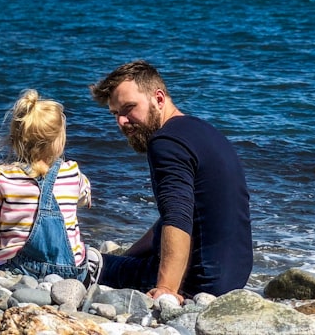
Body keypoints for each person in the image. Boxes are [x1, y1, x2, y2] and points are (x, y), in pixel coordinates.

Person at [89, 60, 252, 301]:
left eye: (129, 108)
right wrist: (129, 256)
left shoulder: (165, 143)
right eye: (116, 114)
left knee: (89, 262)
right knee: (120, 261)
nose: (122, 122)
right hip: (234, 280)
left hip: (199, 283)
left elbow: (178, 217)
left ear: (159, 98)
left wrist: (166, 290)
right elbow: (187, 214)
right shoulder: (204, 131)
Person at [0, 89, 101, 283]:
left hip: (17, 266)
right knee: (87, 253)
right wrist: (82, 197)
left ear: (15, 140)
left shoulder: (4, 178)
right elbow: (85, 197)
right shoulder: (73, 173)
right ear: (59, 141)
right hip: (70, 269)